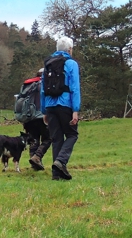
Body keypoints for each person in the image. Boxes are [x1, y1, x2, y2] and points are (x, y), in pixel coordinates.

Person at [41, 37, 80, 181]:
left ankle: (56, 175)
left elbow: (43, 89)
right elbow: (75, 88)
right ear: (69, 49)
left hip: (50, 105)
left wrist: (44, 110)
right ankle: (61, 161)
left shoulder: (48, 64)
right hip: (65, 105)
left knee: (56, 139)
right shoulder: (71, 64)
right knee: (72, 135)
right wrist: (75, 110)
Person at [21, 68, 51, 171]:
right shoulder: (46, 84)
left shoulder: (28, 85)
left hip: (29, 118)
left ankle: (34, 163)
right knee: (48, 138)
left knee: (34, 140)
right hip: (42, 117)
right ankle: (37, 157)